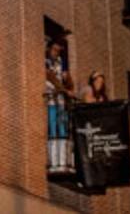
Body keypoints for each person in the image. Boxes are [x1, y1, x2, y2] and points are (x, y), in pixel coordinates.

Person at [45, 39, 75, 173]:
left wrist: (67, 79)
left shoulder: (61, 63)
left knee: (63, 130)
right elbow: (51, 77)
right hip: (51, 100)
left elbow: (70, 84)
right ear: (49, 49)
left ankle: (63, 162)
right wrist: (65, 90)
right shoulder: (45, 61)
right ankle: (53, 162)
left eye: (58, 51)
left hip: (61, 102)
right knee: (52, 130)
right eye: (54, 50)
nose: (56, 53)